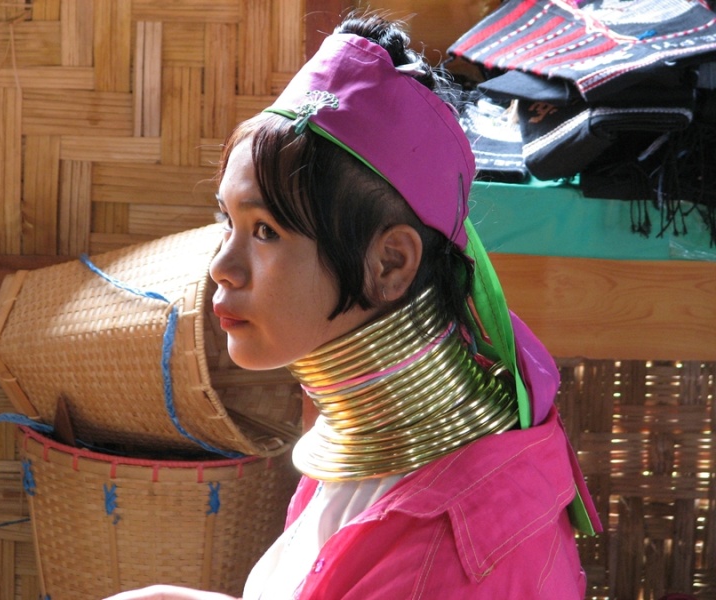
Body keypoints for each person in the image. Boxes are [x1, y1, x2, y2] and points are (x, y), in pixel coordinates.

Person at [104, 13, 602, 600]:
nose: (222, 267)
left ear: (389, 263)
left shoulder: (442, 554)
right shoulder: (377, 462)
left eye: (265, 231)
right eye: (227, 221)